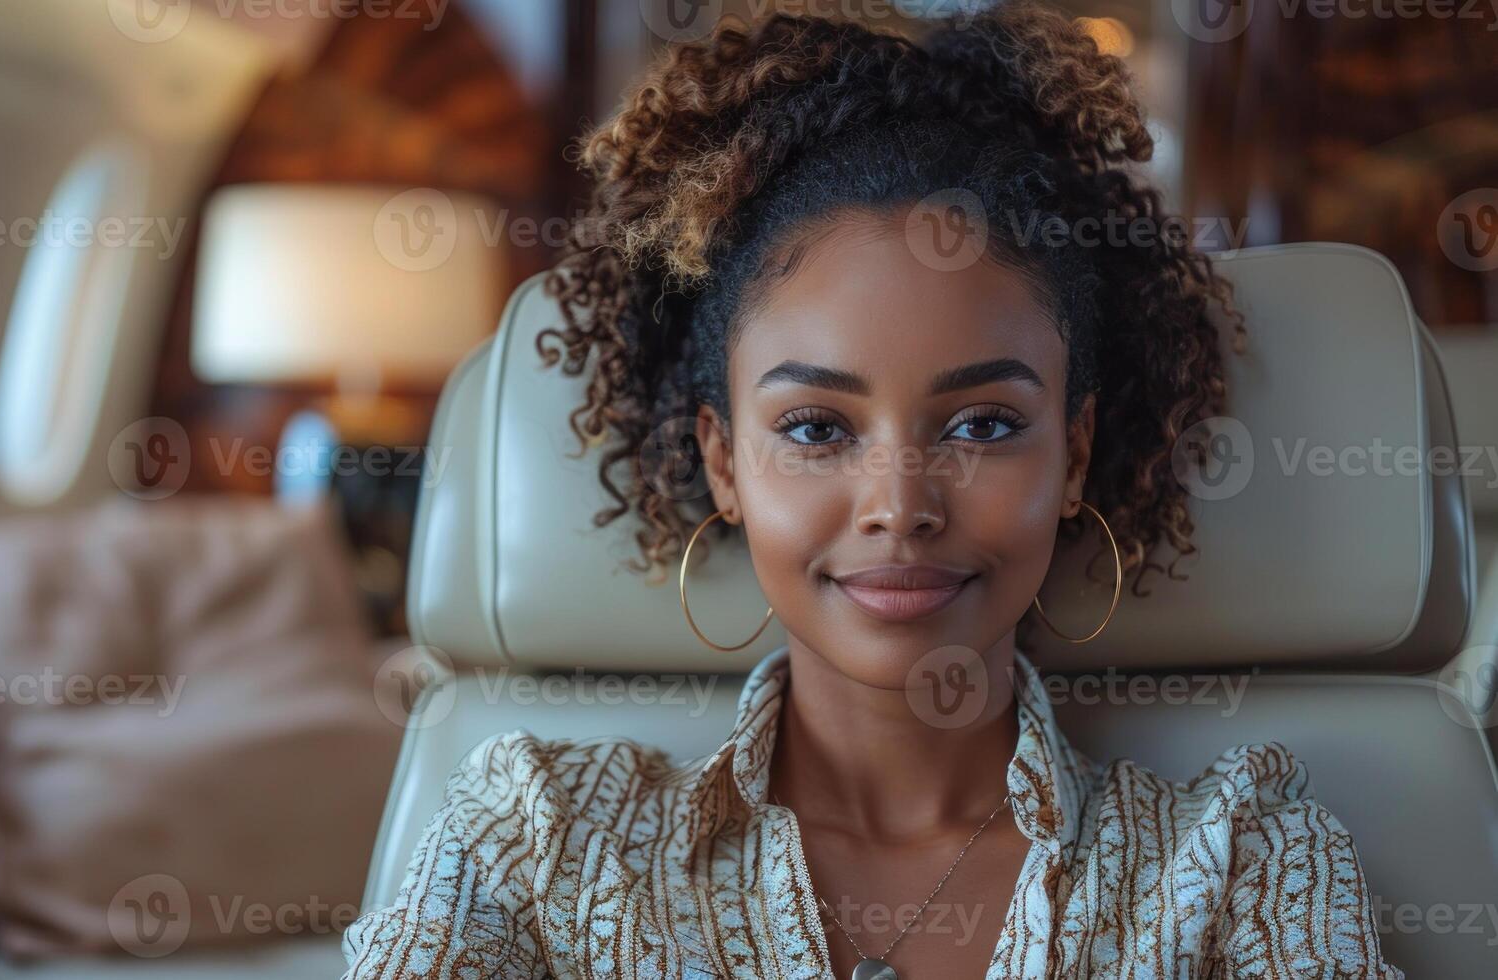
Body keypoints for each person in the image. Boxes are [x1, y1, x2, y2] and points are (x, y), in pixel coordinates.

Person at [342, 3, 1401, 977]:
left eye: (983, 423)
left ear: (1073, 455)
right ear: (724, 459)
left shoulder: (1239, 863)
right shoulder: (534, 843)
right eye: (815, 427)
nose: (900, 502)